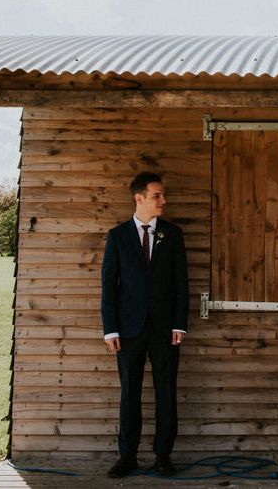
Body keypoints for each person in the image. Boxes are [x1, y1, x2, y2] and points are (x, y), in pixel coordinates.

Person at [101, 172, 189, 478]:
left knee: (166, 391)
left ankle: (163, 456)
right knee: (130, 394)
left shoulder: (173, 234)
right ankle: (128, 456)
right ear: (139, 199)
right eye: (158, 196)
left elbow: (181, 283)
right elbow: (108, 287)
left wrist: (180, 323)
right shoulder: (118, 236)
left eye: (163, 195)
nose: (164, 201)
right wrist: (110, 329)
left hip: (166, 330)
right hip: (128, 331)